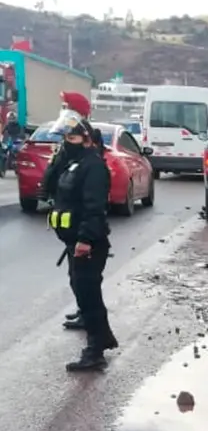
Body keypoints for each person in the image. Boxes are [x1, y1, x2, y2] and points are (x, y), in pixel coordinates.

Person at [46, 93, 119, 371]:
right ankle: (103, 339)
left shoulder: (94, 167)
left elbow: (94, 208)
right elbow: (49, 185)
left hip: (88, 244)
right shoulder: (71, 162)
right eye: (66, 138)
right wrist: (60, 155)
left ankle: (95, 351)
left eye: (73, 138)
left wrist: (85, 240)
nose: (68, 142)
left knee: (89, 297)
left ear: (87, 139)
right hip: (73, 240)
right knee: (82, 290)